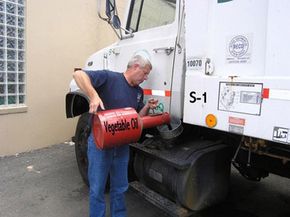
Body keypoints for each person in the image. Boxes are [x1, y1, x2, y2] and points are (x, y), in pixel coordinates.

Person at [73, 52, 158, 217]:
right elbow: (78, 74)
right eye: (145, 73)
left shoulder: (138, 92)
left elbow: (135, 119)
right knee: (97, 188)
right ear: (135, 67)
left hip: (122, 146)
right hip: (100, 144)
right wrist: (94, 96)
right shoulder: (109, 78)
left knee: (120, 187)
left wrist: (147, 106)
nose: (146, 77)